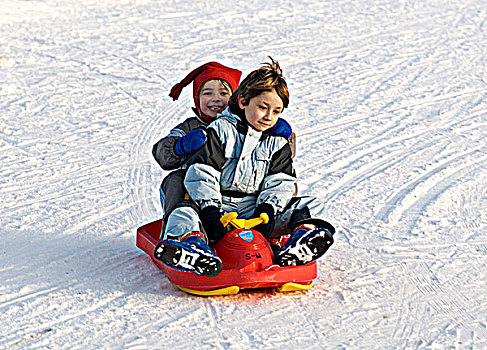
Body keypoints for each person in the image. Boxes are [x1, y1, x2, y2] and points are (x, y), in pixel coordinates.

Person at [154, 57, 334, 277]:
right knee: (183, 213)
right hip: (216, 209)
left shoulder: (276, 138)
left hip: (255, 211)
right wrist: (210, 210)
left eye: (276, 111)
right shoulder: (217, 130)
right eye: (262, 108)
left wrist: (268, 208)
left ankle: (300, 243)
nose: (269, 116)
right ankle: (192, 247)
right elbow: (201, 173)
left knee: (311, 206)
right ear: (243, 101)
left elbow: (281, 181)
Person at [152, 62, 242, 228]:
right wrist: (180, 146)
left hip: (233, 193)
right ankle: (182, 229)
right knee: (176, 180)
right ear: (197, 99)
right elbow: (161, 154)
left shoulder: (244, 126)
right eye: (208, 93)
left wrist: (279, 136)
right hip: (195, 194)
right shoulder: (189, 127)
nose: (216, 99)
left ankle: (280, 227)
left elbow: (274, 154)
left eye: (223, 93)